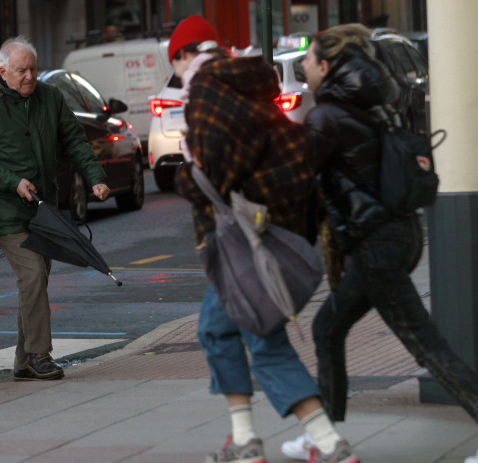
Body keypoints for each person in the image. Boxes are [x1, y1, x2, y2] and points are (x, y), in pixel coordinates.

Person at [277, 23, 478, 463]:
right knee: (327, 327)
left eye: (306, 61)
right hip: (397, 234)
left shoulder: (327, 116)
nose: (302, 68)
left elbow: (294, 177)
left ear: (326, 66)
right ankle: (323, 438)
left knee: (425, 343)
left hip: (376, 246)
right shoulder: (368, 103)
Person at [170, 15, 360, 463]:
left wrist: (185, 173)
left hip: (249, 241)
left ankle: (329, 446)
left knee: (262, 338)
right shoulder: (248, 80)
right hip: (278, 227)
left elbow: (215, 169)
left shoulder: (206, 89)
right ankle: (244, 440)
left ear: (182, 56)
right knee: (217, 329)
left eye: (174, 63)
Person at [0, 36, 110, 382]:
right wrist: (13, 181)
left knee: (36, 281)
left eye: (32, 68)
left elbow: (75, 140)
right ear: (3, 71)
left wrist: (95, 177)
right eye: (21, 70)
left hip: (44, 208)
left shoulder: (50, 98)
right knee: (32, 276)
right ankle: (39, 354)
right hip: (6, 209)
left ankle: (23, 360)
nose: (29, 76)